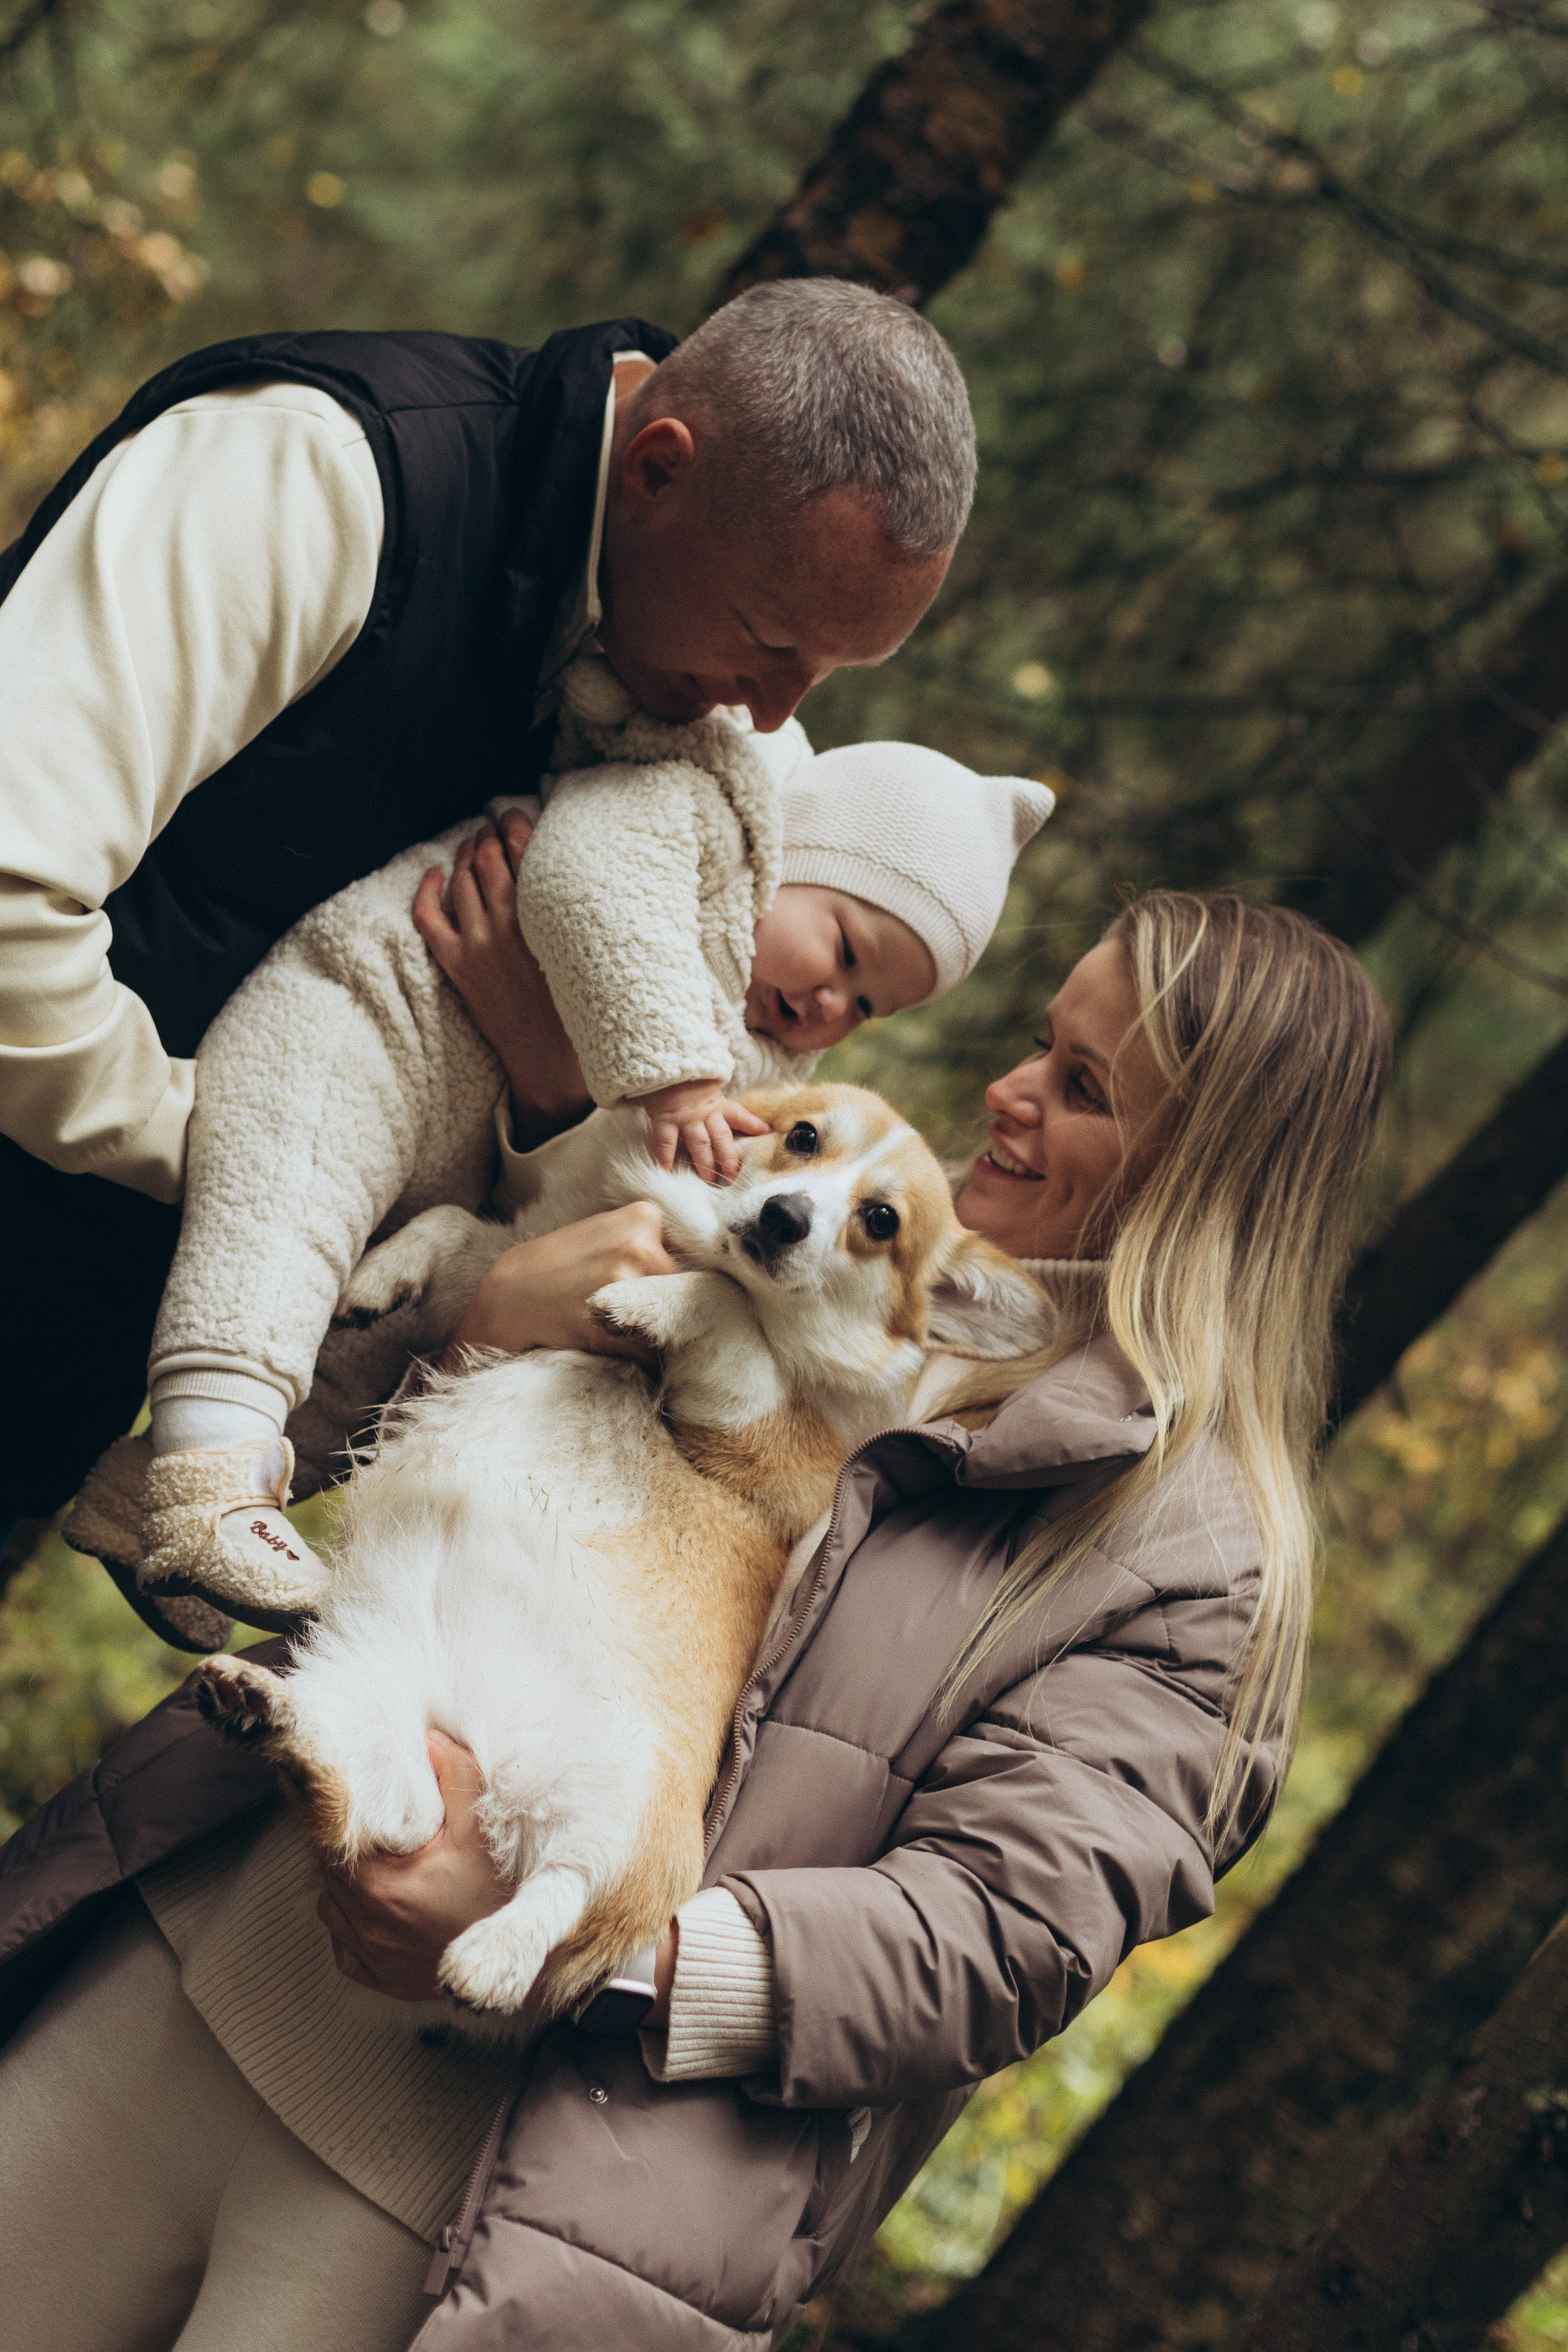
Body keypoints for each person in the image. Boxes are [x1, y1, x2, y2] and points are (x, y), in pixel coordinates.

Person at [0, 891, 1392, 2352]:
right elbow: (423, 1463)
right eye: (1045, 1042)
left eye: (1082, 1086)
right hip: (212, 1931)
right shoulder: (826, 1202)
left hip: (442, 2178)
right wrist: (497, 1320)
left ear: (1203, 1181)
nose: (1007, 1090)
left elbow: (991, 1933)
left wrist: (597, 1945)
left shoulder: (1180, 1544)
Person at [0, 278, 976, 1534]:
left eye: (831, 671)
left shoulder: (687, 720)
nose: (776, 712)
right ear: (658, 470)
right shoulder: (320, 472)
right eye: (770, 640)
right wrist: (236, 1141)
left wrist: (548, 1076)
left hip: (60, 1377)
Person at [89, 677, 1050, 1632]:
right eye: (843, 948)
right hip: (369, 1018)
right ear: (794, 852)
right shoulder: (700, 842)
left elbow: (564, 1193)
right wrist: (670, 1080)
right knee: (284, 1218)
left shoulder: (765, 1063)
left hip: (453, 1187)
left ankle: (162, 1511)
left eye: (870, 1004)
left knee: (365, 1349)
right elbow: (578, 878)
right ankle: (208, 1448)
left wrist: (564, 1090)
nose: (832, 1005)